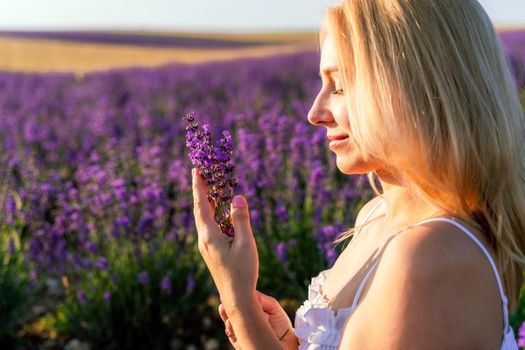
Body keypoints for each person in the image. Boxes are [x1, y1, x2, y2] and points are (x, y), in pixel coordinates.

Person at [191, 0, 525, 348]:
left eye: (339, 86)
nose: (315, 113)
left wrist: (236, 297)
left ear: (416, 88)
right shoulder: (376, 216)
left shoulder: (431, 255)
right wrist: (289, 340)